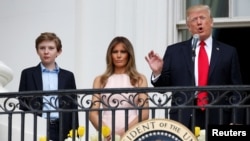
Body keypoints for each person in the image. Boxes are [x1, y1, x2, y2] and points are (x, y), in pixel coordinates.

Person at [145, 4, 243, 130]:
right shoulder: (174, 51)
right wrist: (158, 72)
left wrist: (236, 121)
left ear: (211, 22)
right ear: (188, 27)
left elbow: (237, 90)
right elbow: (164, 88)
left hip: (218, 117)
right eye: (194, 19)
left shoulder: (228, 52)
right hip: (183, 117)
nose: (199, 22)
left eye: (202, 18)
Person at [18, 32, 79, 141]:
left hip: (61, 128)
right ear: (37, 51)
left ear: (58, 51)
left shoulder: (68, 76)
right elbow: (22, 105)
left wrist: (75, 134)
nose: (46, 52)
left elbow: (73, 107)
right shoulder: (27, 74)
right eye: (42, 48)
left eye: (51, 48)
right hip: (36, 126)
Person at [89, 36, 149, 140]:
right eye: (115, 52)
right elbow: (93, 113)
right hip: (106, 135)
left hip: (132, 133)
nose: (119, 55)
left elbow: (145, 112)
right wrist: (106, 132)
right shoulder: (100, 80)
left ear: (129, 55)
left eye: (123, 52)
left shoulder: (139, 79)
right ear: (110, 55)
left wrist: (125, 131)